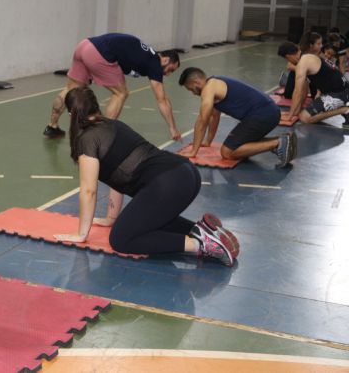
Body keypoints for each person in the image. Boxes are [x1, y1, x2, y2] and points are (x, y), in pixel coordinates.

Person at [53, 87, 239, 267]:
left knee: (121, 239)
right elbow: (116, 177)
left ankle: (200, 245)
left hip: (168, 183)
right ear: (96, 106)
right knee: (147, 221)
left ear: (71, 115)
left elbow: (88, 191)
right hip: (186, 173)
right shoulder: (112, 125)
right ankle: (205, 231)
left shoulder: (87, 139)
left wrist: (81, 235)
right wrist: (111, 217)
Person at [43, 33, 182, 141]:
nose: (168, 74)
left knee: (70, 90)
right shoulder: (154, 63)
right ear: (165, 59)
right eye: (170, 69)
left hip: (85, 45)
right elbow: (162, 100)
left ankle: (52, 127)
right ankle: (101, 136)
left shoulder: (147, 55)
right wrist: (173, 128)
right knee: (121, 93)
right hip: (99, 53)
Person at [178, 67, 296, 168]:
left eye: (191, 89)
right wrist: (208, 141)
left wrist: (193, 151)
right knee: (240, 145)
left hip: (262, 114)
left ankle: (277, 143)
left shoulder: (208, 88)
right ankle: (284, 139)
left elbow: (202, 120)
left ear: (196, 81)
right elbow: (214, 116)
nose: (193, 93)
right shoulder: (215, 83)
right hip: (268, 112)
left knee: (227, 152)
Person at [282, 42, 349, 127]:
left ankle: (344, 110)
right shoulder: (309, 57)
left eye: (287, 59)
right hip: (338, 90)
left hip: (341, 93)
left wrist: (290, 116)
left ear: (288, 56)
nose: (289, 62)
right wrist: (295, 112)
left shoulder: (302, 64)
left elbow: (297, 92)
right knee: (305, 111)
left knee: (304, 117)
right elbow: (303, 91)